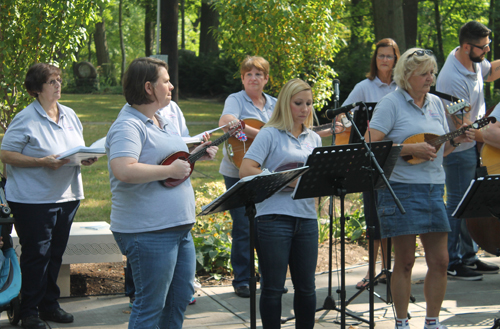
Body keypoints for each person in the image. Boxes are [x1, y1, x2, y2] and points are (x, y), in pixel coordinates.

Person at [105, 57, 217, 328]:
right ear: (148, 88)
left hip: (178, 229)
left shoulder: (162, 120)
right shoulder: (127, 125)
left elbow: (168, 158)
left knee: (178, 301)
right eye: (165, 81)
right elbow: (124, 168)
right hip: (148, 231)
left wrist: (196, 154)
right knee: (150, 308)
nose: (172, 86)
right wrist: (169, 171)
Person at [365, 48, 473, 329]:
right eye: (424, 73)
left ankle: (432, 322)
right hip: (400, 189)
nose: (430, 78)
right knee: (405, 261)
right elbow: (369, 146)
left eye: (432, 73)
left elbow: (441, 150)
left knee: (440, 260)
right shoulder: (390, 104)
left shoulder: (436, 104)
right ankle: (402, 322)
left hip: (433, 188)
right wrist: (407, 148)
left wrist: (457, 139)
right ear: (407, 75)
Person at [0, 63, 97, 329]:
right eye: (51, 81)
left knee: (55, 254)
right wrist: (42, 161)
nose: (58, 85)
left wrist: (85, 158)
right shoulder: (25, 118)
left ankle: (49, 305)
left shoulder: (69, 114)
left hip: (67, 197)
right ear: (36, 89)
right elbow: (6, 155)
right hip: (33, 200)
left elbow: (75, 148)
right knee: (36, 255)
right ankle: (28, 311)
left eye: (59, 80)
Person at [240, 78, 322, 329]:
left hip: (306, 219)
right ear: (286, 104)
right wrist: (284, 182)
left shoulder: (314, 138)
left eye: (308, 103)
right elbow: (246, 169)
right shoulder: (270, 133)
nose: (305, 109)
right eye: (298, 103)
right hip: (273, 217)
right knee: (274, 287)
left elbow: (316, 176)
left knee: (307, 287)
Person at [436, 20, 500, 281]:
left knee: (472, 202)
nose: (487, 52)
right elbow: (460, 125)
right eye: (484, 48)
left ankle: (470, 256)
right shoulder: (451, 79)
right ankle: (452, 261)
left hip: (475, 141)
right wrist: (485, 133)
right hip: (460, 145)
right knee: (458, 204)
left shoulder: (472, 59)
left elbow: (491, 72)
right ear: (466, 46)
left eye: (489, 46)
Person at [341, 38, 401, 289]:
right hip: (371, 160)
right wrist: (344, 124)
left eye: (389, 56)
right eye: (380, 56)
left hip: (397, 160)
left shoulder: (403, 87)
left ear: (397, 60)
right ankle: (370, 272)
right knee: (373, 217)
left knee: (392, 218)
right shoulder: (364, 87)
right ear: (374, 60)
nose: (384, 60)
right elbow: (344, 114)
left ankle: (389, 271)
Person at [218, 56, 277, 298]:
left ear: (266, 79)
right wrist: (262, 135)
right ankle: (242, 279)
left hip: (266, 172)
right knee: (243, 226)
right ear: (242, 79)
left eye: (258, 74)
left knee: (267, 226)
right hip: (237, 172)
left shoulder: (274, 104)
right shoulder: (236, 99)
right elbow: (227, 122)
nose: (254, 78)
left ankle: (268, 277)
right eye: (249, 74)